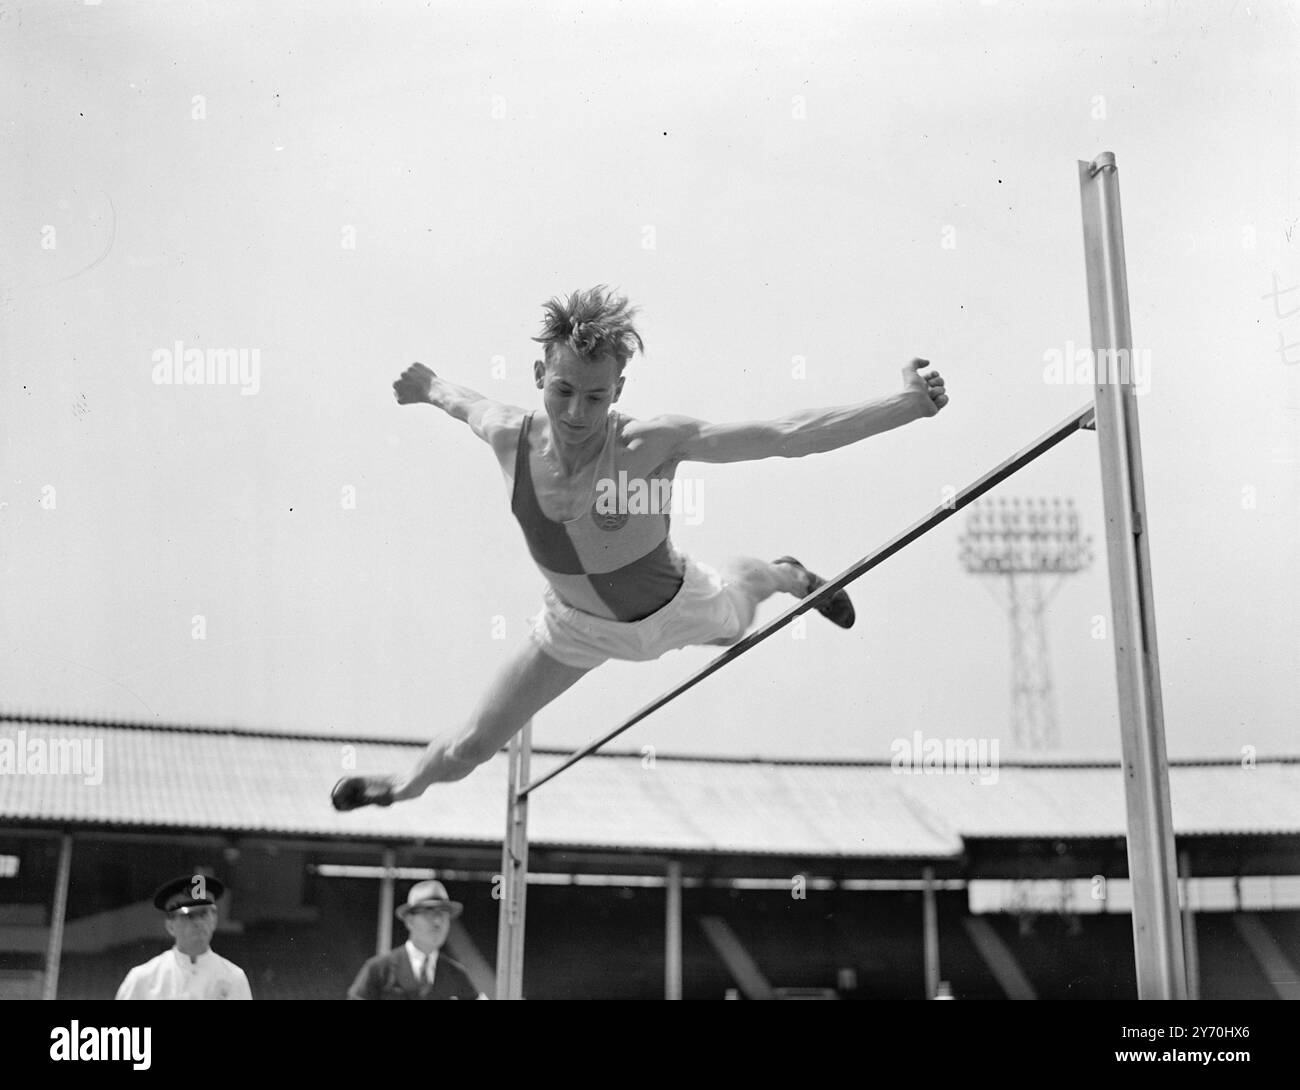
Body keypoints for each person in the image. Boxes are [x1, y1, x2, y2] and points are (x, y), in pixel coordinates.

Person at [332, 286, 948, 811]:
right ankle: (400, 785)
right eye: (564, 390)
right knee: (471, 746)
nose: (577, 412)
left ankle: (785, 575)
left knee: (738, 615)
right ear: (540, 376)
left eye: (597, 397)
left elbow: (787, 436)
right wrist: (427, 384)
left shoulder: (649, 444)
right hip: (574, 628)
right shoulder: (507, 435)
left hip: (677, 605)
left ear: (619, 389)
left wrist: (907, 403)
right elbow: (457, 398)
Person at [116, 874, 252, 1000]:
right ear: (170, 925)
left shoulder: (234, 978)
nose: (198, 922)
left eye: (204, 914)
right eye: (189, 915)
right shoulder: (144, 979)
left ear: (214, 919)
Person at [347, 881, 486, 1000]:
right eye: (429, 912)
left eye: (443, 914)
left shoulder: (457, 975)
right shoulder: (378, 970)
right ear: (409, 920)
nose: (438, 921)